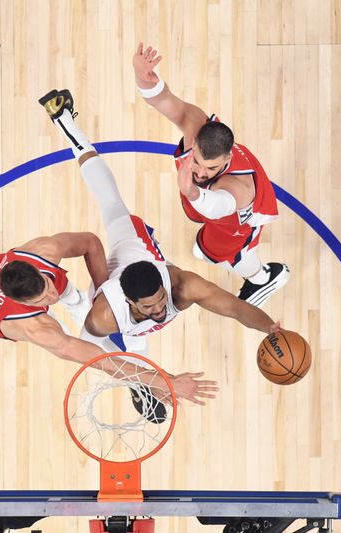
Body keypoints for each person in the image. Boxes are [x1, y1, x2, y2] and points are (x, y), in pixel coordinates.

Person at [39, 88, 282, 415]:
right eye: (151, 305)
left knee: (112, 202)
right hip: (105, 305)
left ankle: (65, 122)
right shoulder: (103, 317)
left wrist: (270, 327)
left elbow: (235, 308)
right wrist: (162, 380)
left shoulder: (181, 286)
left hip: (135, 247)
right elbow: (105, 361)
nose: (159, 308)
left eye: (158, 299)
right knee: (122, 346)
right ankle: (65, 122)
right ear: (130, 302)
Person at [0, 233, 216, 405]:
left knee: (74, 300)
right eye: (43, 299)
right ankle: (138, 384)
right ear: (26, 303)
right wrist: (162, 380)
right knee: (78, 341)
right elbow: (102, 362)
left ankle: (71, 299)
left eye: (47, 285)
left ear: (36, 271)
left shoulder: (44, 251)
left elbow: (90, 242)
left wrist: (104, 296)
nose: (51, 295)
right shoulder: (36, 328)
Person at [131, 43, 290, 307]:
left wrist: (191, 191)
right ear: (195, 144)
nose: (201, 172)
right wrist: (140, 75)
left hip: (235, 223)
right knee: (203, 249)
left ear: (226, 160)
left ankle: (263, 278)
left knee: (227, 255)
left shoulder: (237, 187)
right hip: (212, 209)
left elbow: (218, 208)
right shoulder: (195, 125)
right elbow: (162, 99)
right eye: (198, 162)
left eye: (211, 168)